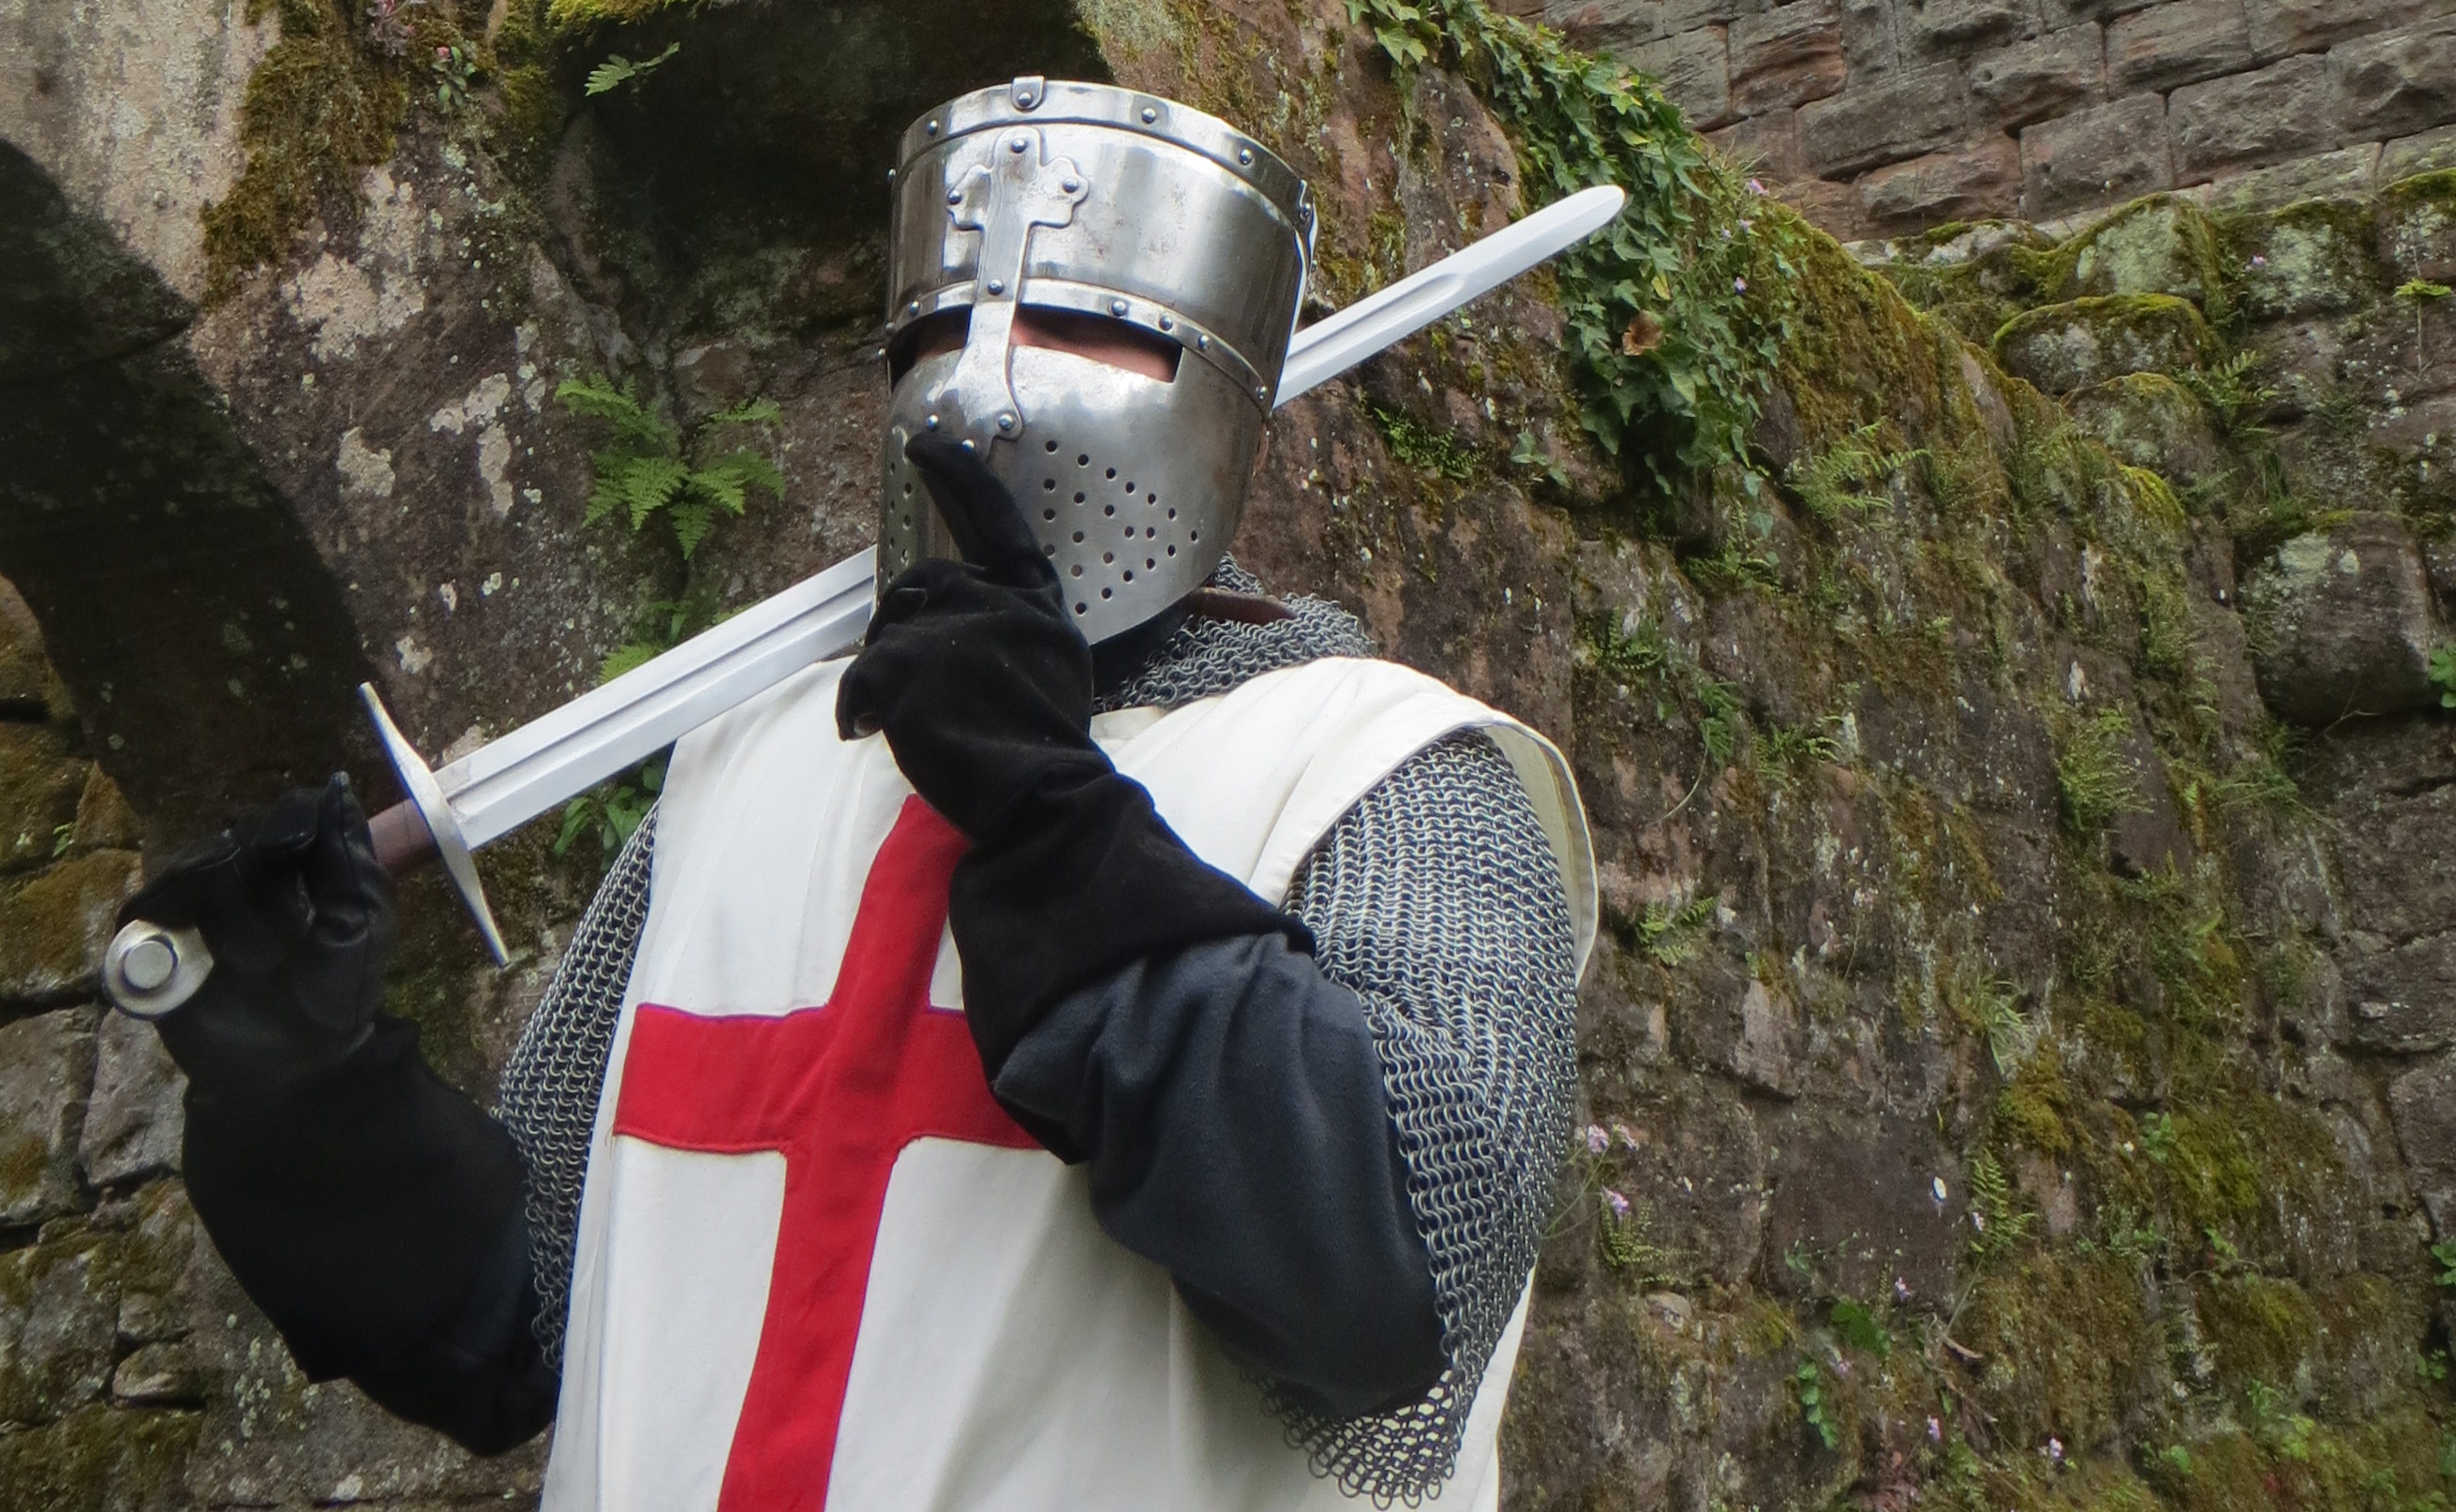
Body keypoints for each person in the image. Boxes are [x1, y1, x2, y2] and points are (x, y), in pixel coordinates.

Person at [133, 84, 1594, 1510]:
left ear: (1218, 393)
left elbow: (1389, 1298)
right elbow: (521, 1332)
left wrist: (1051, 820)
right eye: (940, 333)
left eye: (1087, 327)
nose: (987, 388)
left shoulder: (1382, 770)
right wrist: (314, 1098)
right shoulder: (748, 760)